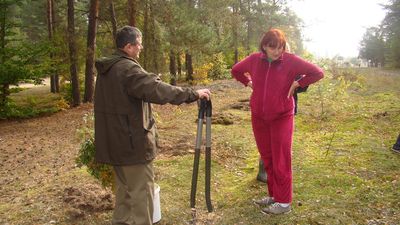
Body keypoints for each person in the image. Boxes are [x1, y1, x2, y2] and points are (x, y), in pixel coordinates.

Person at [94, 26, 211, 225]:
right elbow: (158, 90)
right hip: (132, 144)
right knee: (142, 194)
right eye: (139, 43)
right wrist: (193, 94)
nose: (141, 47)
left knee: (124, 192)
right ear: (129, 46)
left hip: (115, 142)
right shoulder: (128, 69)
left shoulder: (109, 68)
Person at [231, 28, 323, 215]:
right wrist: (248, 82)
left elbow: (318, 73)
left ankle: (284, 202)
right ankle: (274, 195)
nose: (278, 51)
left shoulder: (291, 60)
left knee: (281, 158)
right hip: (259, 117)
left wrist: (299, 83)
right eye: (273, 48)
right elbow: (236, 70)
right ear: (264, 46)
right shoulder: (254, 59)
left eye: (280, 47)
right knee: (268, 158)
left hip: (282, 117)